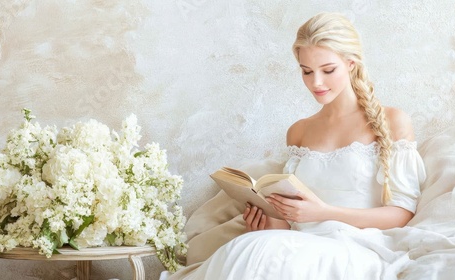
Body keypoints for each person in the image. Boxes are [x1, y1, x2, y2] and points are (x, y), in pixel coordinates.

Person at [169, 12, 426, 279]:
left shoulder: (392, 121)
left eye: (328, 70)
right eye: (306, 71)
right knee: (247, 248)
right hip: (293, 245)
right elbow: (288, 223)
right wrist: (267, 222)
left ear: (350, 63)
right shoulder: (299, 131)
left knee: (259, 252)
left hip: (354, 247)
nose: (316, 83)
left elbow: (401, 214)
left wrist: (325, 212)